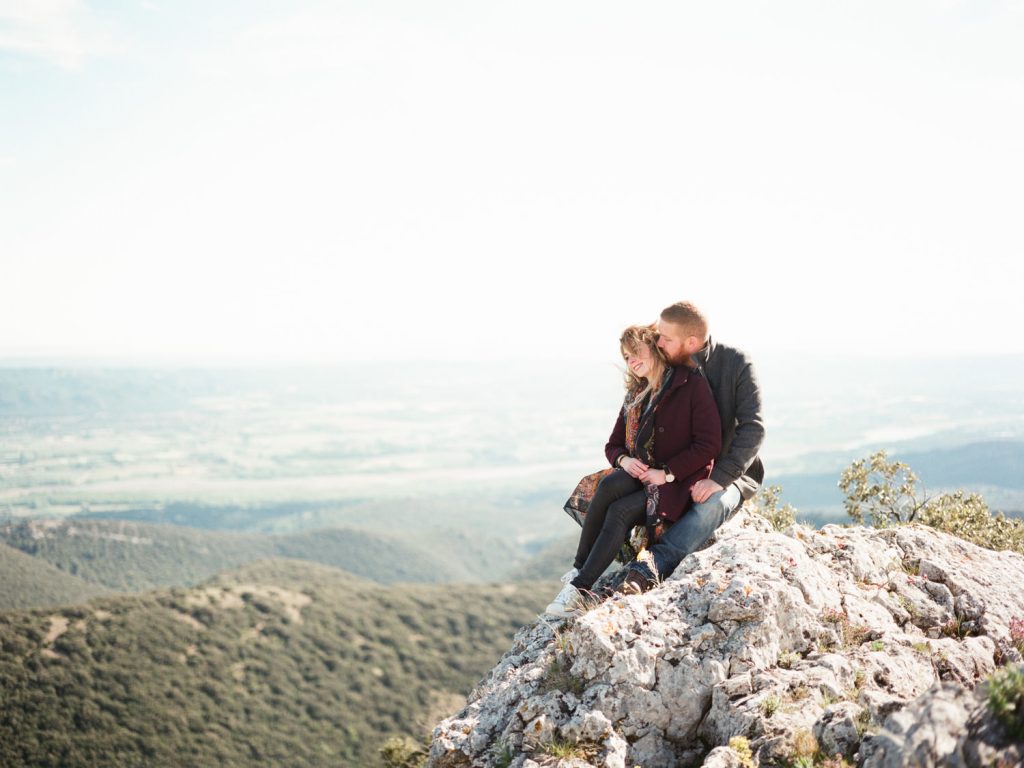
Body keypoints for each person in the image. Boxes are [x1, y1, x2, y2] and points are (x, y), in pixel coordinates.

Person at [545, 324, 722, 617]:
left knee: (621, 511)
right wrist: (624, 461)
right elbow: (613, 445)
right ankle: (578, 571)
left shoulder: (690, 385)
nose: (632, 362)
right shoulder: (637, 393)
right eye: (627, 357)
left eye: (636, 353)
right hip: (642, 477)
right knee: (609, 485)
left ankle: (580, 588)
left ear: (655, 349)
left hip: (676, 484)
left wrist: (665, 474)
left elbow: (709, 445)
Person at [622, 301, 765, 592]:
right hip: (673, 470)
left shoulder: (736, 363)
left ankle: (649, 566)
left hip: (729, 471)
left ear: (691, 341)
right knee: (614, 492)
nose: (658, 343)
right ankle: (584, 577)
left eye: (666, 338)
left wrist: (719, 479)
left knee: (710, 506)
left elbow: (753, 428)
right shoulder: (665, 365)